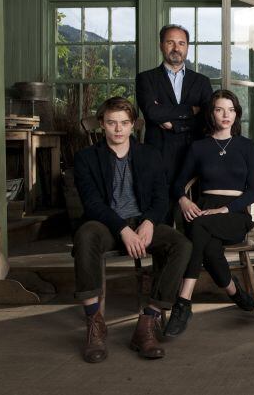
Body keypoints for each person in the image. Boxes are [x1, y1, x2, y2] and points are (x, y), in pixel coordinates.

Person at [72, 97, 191, 362]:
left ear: (133, 125)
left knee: (181, 244)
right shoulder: (86, 158)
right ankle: (94, 324)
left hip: (142, 222)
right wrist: (122, 230)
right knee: (85, 235)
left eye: (124, 123)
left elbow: (161, 198)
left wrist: (149, 221)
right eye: (112, 123)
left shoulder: (150, 155)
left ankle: (146, 323)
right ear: (102, 124)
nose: (118, 129)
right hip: (106, 224)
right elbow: (91, 203)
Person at [163, 90, 254, 337]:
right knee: (207, 244)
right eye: (219, 109)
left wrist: (226, 208)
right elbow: (177, 184)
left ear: (237, 113)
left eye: (230, 109)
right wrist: (184, 200)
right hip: (204, 210)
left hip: (234, 213)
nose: (225, 115)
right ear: (211, 114)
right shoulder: (199, 147)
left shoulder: (247, 146)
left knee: (197, 228)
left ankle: (183, 302)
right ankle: (234, 292)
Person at [135, 24, 213, 195]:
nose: (176, 48)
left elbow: (207, 118)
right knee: (162, 210)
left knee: (194, 212)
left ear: (187, 47)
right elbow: (152, 112)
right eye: (170, 42)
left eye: (181, 43)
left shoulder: (202, 82)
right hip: (159, 153)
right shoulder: (145, 79)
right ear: (161, 45)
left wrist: (175, 125)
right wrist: (191, 110)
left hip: (195, 152)